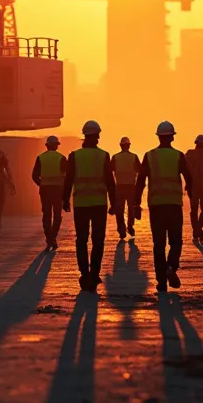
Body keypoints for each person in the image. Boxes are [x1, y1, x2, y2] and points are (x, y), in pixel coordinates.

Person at [135, 121, 192, 293]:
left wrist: (136, 203)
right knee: (176, 241)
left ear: (159, 137)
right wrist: (191, 191)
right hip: (174, 205)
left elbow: (140, 182)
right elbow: (188, 177)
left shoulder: (149, 155)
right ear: (172, 137)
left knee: (158, 244)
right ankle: (171, 267)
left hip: (156, 206)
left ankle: (161, 282)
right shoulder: (178, 156)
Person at [63, 119, 116, 292]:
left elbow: (68, 179)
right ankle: (94, 273)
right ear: (98, 136)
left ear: (85, 136)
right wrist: (114, 203)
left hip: (81, 204)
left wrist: (65, 200)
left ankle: (85, 273)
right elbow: (110, 182)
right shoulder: (103, 155)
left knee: (82, 240)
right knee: (97, 240)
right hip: (99, 204)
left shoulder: (75, 156)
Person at [32, 134, 67, 250]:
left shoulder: (40, 158)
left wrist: (41, 184)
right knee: (57, 216)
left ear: (47, 145)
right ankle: (53, 238)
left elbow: (34, 176)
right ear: (56, 146)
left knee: (47, 215)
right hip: (58, 190)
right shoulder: (61, 158)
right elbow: (67, 176)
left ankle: (49, 239)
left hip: (45, 190)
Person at [111, 137, 141, 240]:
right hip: (131, 186)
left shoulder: (115, 157)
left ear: (120, 145)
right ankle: (130, 226)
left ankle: (121, 230)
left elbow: (109, 171)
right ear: (129, 146)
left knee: (119, 210)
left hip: (119, 187)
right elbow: (140, 170)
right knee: (131, 209)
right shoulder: (134, 157)